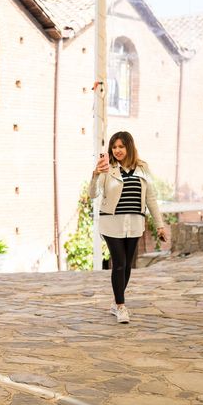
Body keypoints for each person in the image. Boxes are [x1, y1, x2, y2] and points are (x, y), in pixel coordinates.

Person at [89, 131, 165, 324]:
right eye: (114, 147)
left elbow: (151, 199)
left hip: (134, 224)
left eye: (121, 146)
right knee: (119, 263)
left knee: (127, 266)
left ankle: (116, 302)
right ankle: (121, 307)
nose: (117, 150)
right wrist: (95, 174)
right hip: (111, 223)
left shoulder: (142, 169)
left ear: (129, 147)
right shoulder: (107, 170)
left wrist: (160, 226)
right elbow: (93, 194)